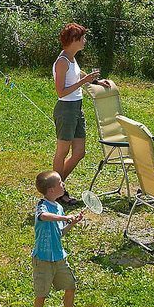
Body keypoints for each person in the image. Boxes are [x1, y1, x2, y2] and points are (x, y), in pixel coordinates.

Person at [51, 23, 110, 208]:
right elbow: (61, 92)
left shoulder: (72, 58)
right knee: (62, 152)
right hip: (66, 109)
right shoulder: (62, 61)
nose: (84, 41)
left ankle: (56, 186)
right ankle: (58, 191)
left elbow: (79, 75)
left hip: (77, 108)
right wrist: (84, 81)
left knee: (79, 152)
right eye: (82, 38)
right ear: (73, 40)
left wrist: (95, 80)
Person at [29, 170, 86, 307]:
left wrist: (72, 223)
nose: (63, 185)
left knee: (70, 286)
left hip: (59, 257)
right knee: (41, 293)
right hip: (43, 258)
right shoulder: (42, 205)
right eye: (61, 183)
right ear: (52, 190)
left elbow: (60, 232)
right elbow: (44, 217)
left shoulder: (59, 207)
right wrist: (65, 217)